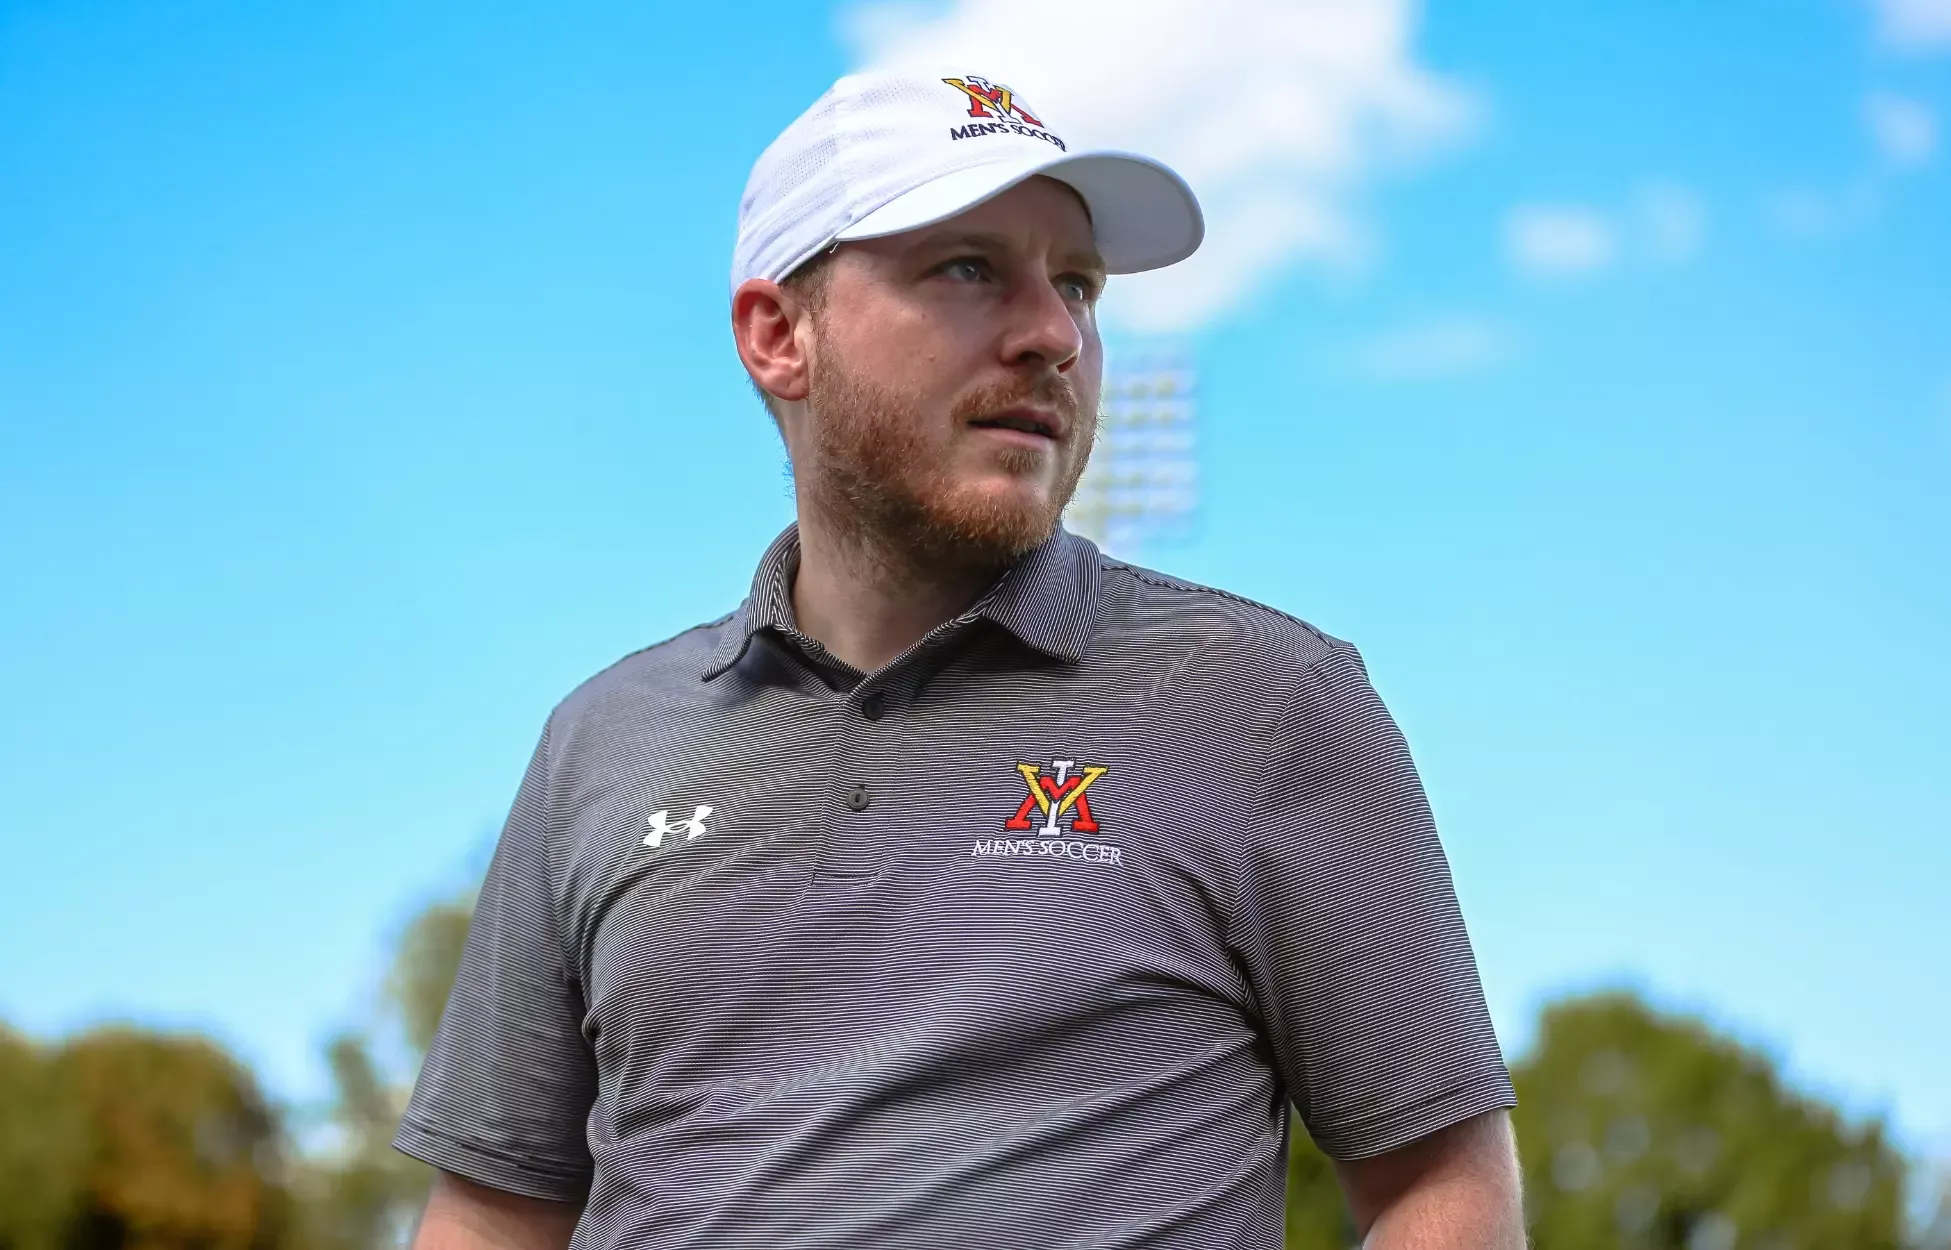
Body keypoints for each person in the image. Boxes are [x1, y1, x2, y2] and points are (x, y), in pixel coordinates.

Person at [394, 68, 1526, 1250]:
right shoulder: (599, 740)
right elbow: (492, 1212)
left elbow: (1434, 1187)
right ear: (779, 335)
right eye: (969, 267)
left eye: (1077, 285)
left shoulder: (1263, 699)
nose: (1054, 335)